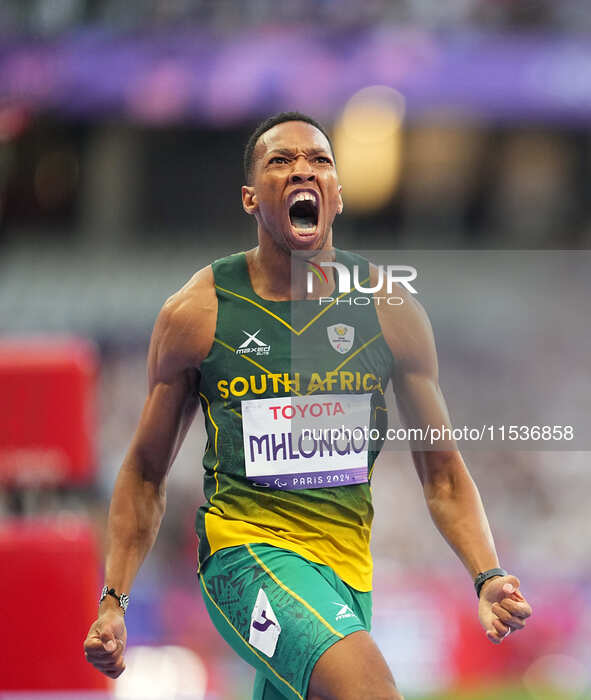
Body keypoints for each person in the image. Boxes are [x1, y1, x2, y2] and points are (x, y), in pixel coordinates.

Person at [84, 112, 532, 699]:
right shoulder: (198, 313)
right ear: (250, 197)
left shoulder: (390, 311)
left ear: (338, 195)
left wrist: (487, 573)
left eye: (320, 161)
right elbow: (145, 472)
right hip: (244, 556)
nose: (304, 169)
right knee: (371, 690)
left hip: (346, 574)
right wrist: (114, 599)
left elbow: (444, 476)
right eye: (281, 160)